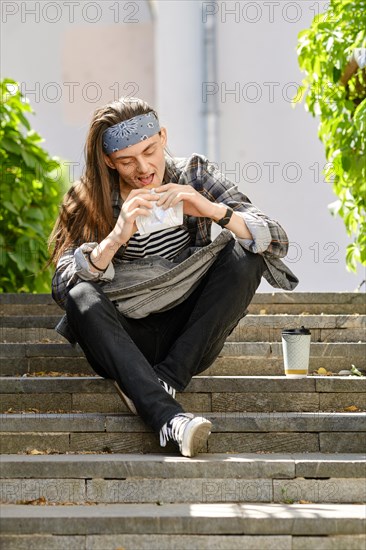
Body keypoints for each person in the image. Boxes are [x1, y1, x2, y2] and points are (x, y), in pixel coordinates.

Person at [48, 97, 298, 458]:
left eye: (150, 151)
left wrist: (211, 209)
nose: (143, 168)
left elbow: (276, 238)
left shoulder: (193, 173)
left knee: (246, 252)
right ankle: (169, 419)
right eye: (126, 161)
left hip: (188, 335)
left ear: (163, 137)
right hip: (122, 337)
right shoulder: (88, 196)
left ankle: (162, 383)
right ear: (108, 161)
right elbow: (62, 285)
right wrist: (115, 237)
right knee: (80, 296)